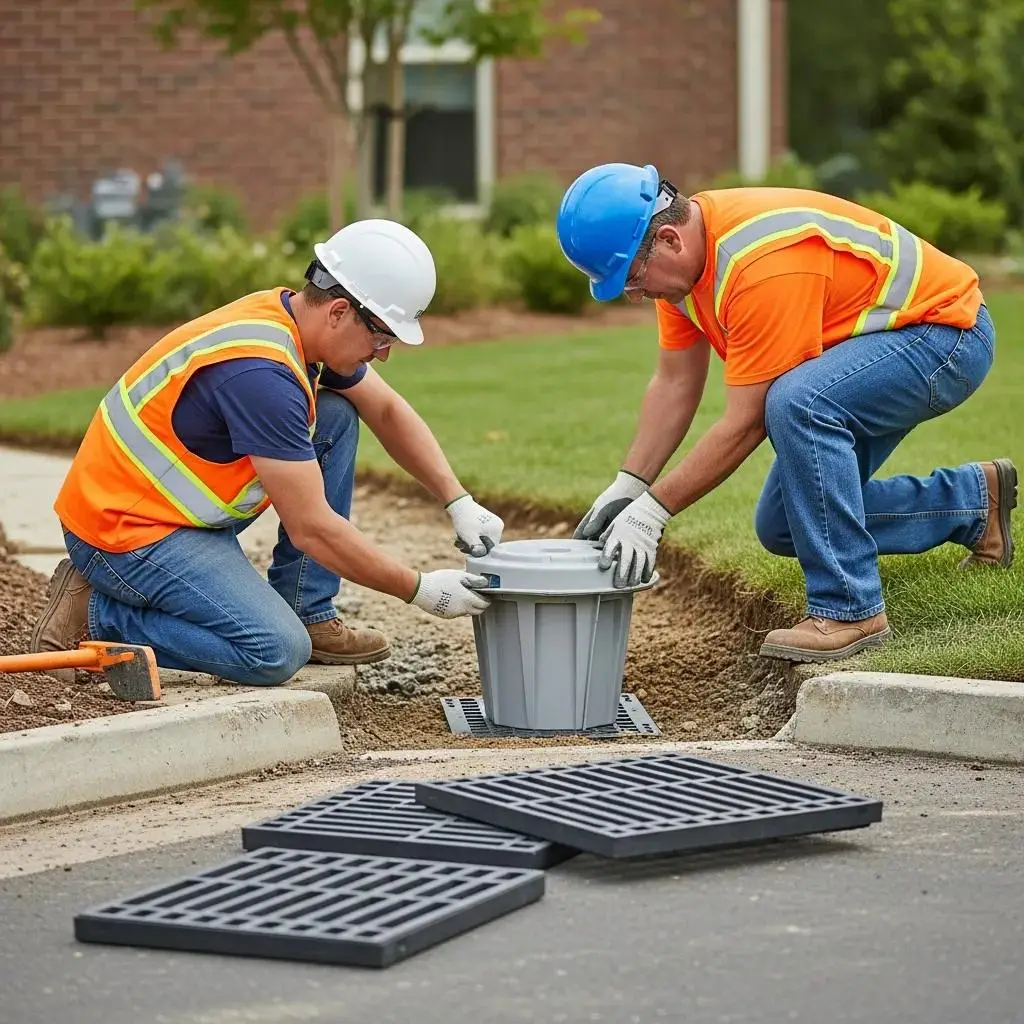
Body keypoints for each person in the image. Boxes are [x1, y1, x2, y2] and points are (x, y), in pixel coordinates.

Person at [556, 162, 1015, 663]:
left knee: (798, 402)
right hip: (883, 346)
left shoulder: (757, 263)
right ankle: (973, 504)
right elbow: (675, 382)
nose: (635, 293)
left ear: (668, 239)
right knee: (783, 524)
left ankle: (850, 608)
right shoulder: (683, 269)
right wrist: (629, 486)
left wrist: (652, 513)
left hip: (945, 338)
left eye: (631, 278)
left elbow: (747, 422)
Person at [30, 219, 502, 685]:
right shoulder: (261, 375)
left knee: (335, 415)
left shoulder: (291, 322)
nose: (383, 353)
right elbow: (313, 529)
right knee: (274, 651)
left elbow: (387, 411)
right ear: (338, 312)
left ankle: (308, 610)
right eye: (382, 337)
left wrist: (457, 500)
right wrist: (419, 590)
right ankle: (95, 612)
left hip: (167, 513)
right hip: (124, 534)